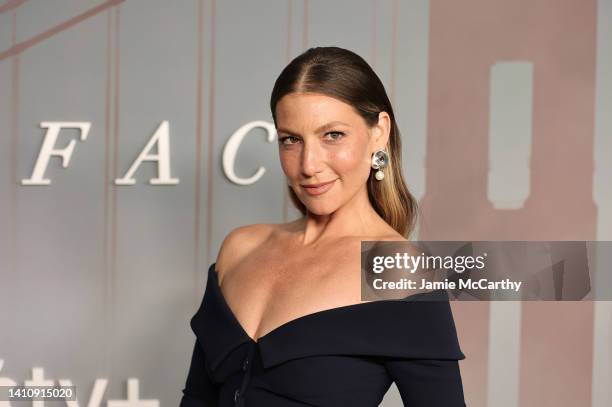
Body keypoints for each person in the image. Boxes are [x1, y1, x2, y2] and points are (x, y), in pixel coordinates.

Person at [180, 46, 466, 406]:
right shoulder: (241, 248)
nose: (309, 164)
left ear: (379, 133)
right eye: (291, 140)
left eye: (332, 135)